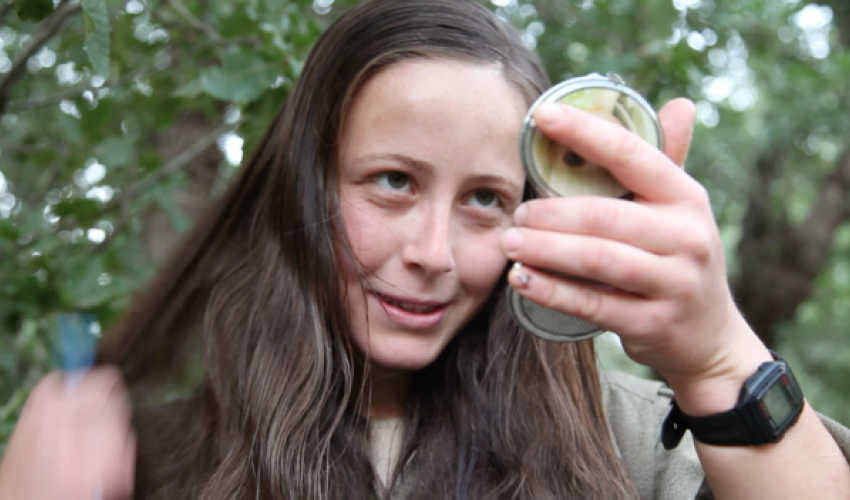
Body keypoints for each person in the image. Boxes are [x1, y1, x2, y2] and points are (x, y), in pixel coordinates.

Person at [1, 1, 849, 499]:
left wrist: (716, 361)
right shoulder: (139, 461)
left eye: (486, 198)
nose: (434, 254)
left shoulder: (630, 442)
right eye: (393, 182)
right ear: (305, 185)